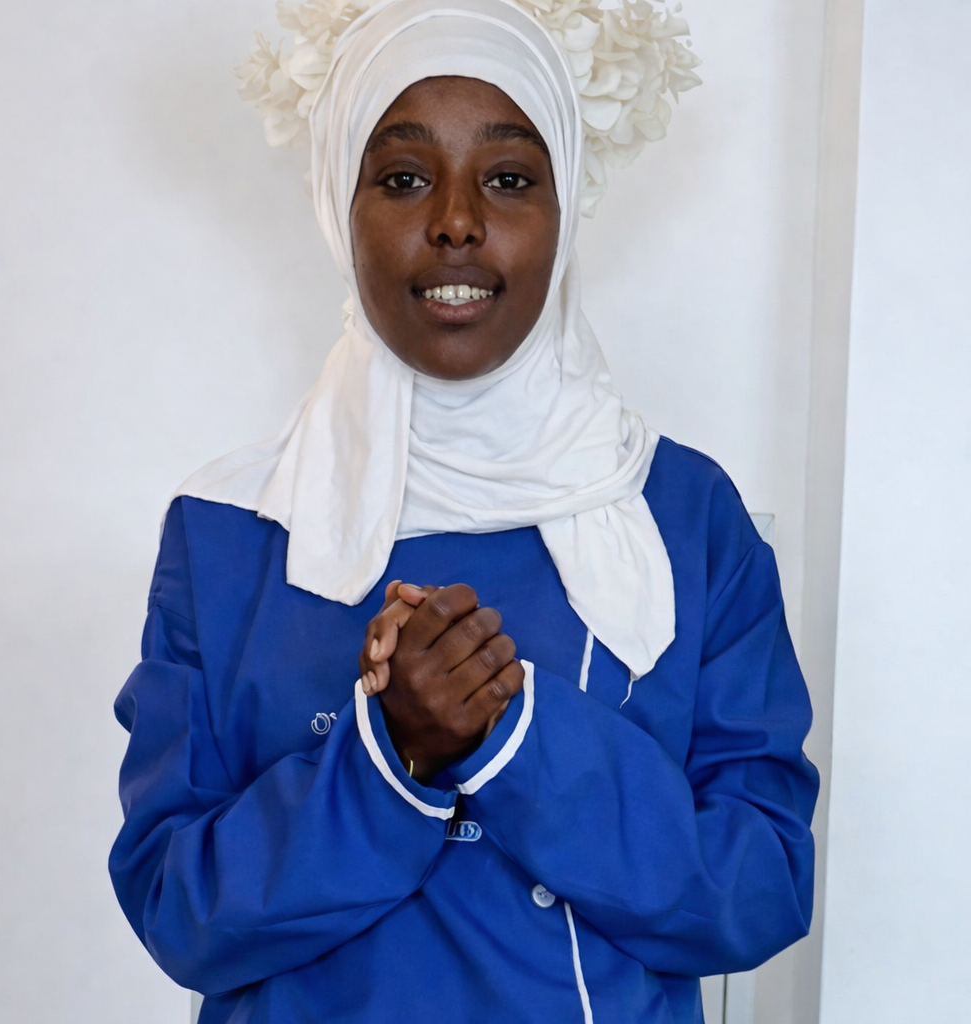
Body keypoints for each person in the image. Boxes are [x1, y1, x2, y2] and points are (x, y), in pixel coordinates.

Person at [109, 0, 819, 1021]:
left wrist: (514, 731)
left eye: (508, 179)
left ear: (563, 210)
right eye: (404, 178)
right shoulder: (227, 529)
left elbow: (760, 890)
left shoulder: (686, 515)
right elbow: (180, 913)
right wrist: (391, 761)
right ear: (338, 205)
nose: (455, 221)